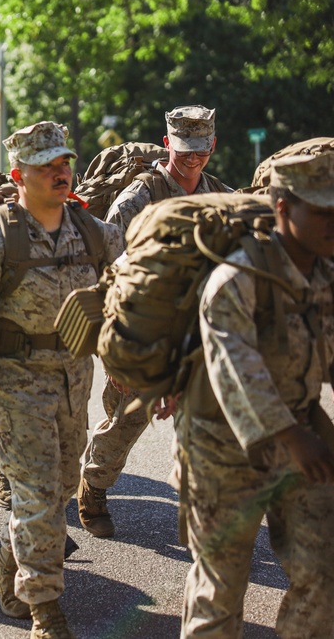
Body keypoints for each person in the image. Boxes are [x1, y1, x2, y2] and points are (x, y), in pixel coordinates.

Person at [0, 122, 123, 637]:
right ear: (19, 175)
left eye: (64, 162)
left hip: (73, 378)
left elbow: (134, 281)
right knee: (37, 494)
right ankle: (45, 610)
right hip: (13, 383)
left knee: (64, 486)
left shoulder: (93, 232)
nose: (61, 172)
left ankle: (5, 565)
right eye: (47, 166)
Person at [173, 151, 334, 638]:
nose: (333, 221)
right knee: (220, 590)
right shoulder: (236, 278)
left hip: (301, 443)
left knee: (323, 573)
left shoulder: (326, 274)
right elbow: (233, 369)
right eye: (321, 209)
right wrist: (291, 434)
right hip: (222, 449)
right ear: (283, 206)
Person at [78, 105, 233, 539]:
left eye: (201, 150)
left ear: (213, 145)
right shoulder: (139, 198)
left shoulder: (221, 195)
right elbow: (106, 272)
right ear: (168, 144)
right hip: (143, 332)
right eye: (184, 150)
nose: (193, 158)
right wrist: (113, 348)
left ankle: (203, 512)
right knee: (128, 419)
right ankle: (94, 484)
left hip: (199, 335)